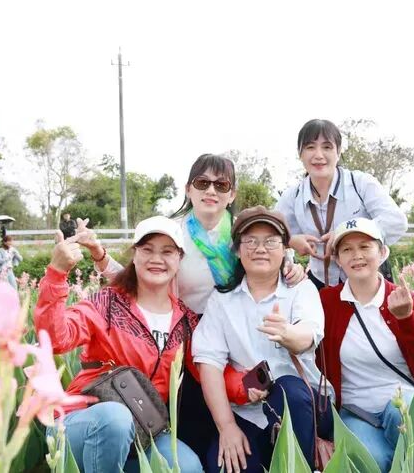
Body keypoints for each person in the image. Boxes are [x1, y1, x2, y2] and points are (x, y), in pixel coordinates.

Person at [77, 153, 306, 466]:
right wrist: (100, 255)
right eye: (202, 183)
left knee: (250, 407)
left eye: (221, 185)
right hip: (186, 341)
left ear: (232, 194)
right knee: (194, 429)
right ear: (188, 189)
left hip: (242, 337)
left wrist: (292, 268)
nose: (211, 190)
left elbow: (272, 255)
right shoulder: (172, 233)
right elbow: (140, 278)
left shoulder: (242, 235)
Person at [35, 216, 204, 473]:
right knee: (115, 419)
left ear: (179, 259)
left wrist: (247, 385)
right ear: (134, 256)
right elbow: (56, 340)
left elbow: (209, 370)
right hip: (84, 421)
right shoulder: (108, 303)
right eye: (147, 249)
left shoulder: (185, 321)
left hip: (144, 429)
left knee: (188, 466)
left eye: (167, 251)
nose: (156, 259)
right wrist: (57, 274)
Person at [192, 206, 332, 473]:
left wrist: (288, 334)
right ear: (237, 250)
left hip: (305, 407)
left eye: (270, 241)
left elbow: (308, 335)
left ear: (285, 249)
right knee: (225, 465)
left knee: (288, 390)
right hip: (247, 411)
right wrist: (227, 427)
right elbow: (209, 362)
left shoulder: (300, 289)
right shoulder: (222, 300)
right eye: (250, 241)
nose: (260, 249)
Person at [317, 217, 414, 472]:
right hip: (355, 409)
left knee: (405, 427)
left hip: (399, 397)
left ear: (382, 253)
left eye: (365, 247)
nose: (356, 255)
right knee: (372, 461)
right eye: (347, 249)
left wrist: (406, 319)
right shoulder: (327, 302)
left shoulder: (402, 298)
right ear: (338, 259)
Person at [275, 119, 409, 289]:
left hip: (369, 278)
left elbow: (397, 222)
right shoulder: (292, 196)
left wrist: (345, 233)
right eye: (310, 147)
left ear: (338, 152)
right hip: (322, 281)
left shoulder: (360, 183)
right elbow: (271, 235)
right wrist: (291, 241)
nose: (318, 155)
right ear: (300, 154)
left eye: (327, 147)